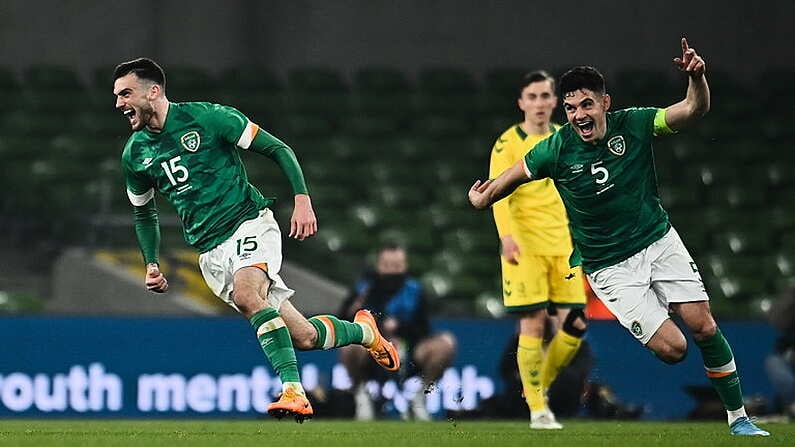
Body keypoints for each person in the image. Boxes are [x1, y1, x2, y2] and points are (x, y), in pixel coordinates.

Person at [468, 38, 770, 436]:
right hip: (609, 266)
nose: (579, 115)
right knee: (674, 350)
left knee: (704, 326)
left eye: (587, 105)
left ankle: (739, 418)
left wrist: (697, 78)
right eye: (572, 108)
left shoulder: (637, 123)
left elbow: (693, 109)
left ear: (605, 103)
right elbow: (510, 178)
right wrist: (482, 197)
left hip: (658, 241)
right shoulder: (555, 150)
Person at [112, 58, 400, 423]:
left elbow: (279, 149)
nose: (119, 103)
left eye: (126, 93)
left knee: (249, 295)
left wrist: (302, 200)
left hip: (249, 224)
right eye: (117, 96)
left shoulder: (210, 118)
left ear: (153, 91)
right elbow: (144, 213)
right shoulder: (134, 154)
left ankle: (294, 391)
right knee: (304, 336)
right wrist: (151, 262)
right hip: (210, 252)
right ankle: (364, 331)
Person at [488, 70, 588, 429]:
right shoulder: (507, 143)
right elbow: (497, 191)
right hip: (524, 245)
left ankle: (536, 388)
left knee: (576, 325)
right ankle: (538, 409)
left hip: (563, 245)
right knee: (531, 324)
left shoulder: (567, 136)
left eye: (546, 96)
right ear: (521, 103)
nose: (540, 103)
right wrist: (506, 236)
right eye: (532, 97)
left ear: (555, 101)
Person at [338, 242, 457, 420]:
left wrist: (400, 329)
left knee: (446, 344)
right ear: (379, 265)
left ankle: (419, 398)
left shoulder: (414, 290)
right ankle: (362, 397)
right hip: (372, 349)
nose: (392, 271)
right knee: (348, 347)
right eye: (387, 266)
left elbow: (424, 328)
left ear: (404, 266)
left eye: (397, 266)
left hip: (410, 351)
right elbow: (344, 321)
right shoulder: (364, 289)